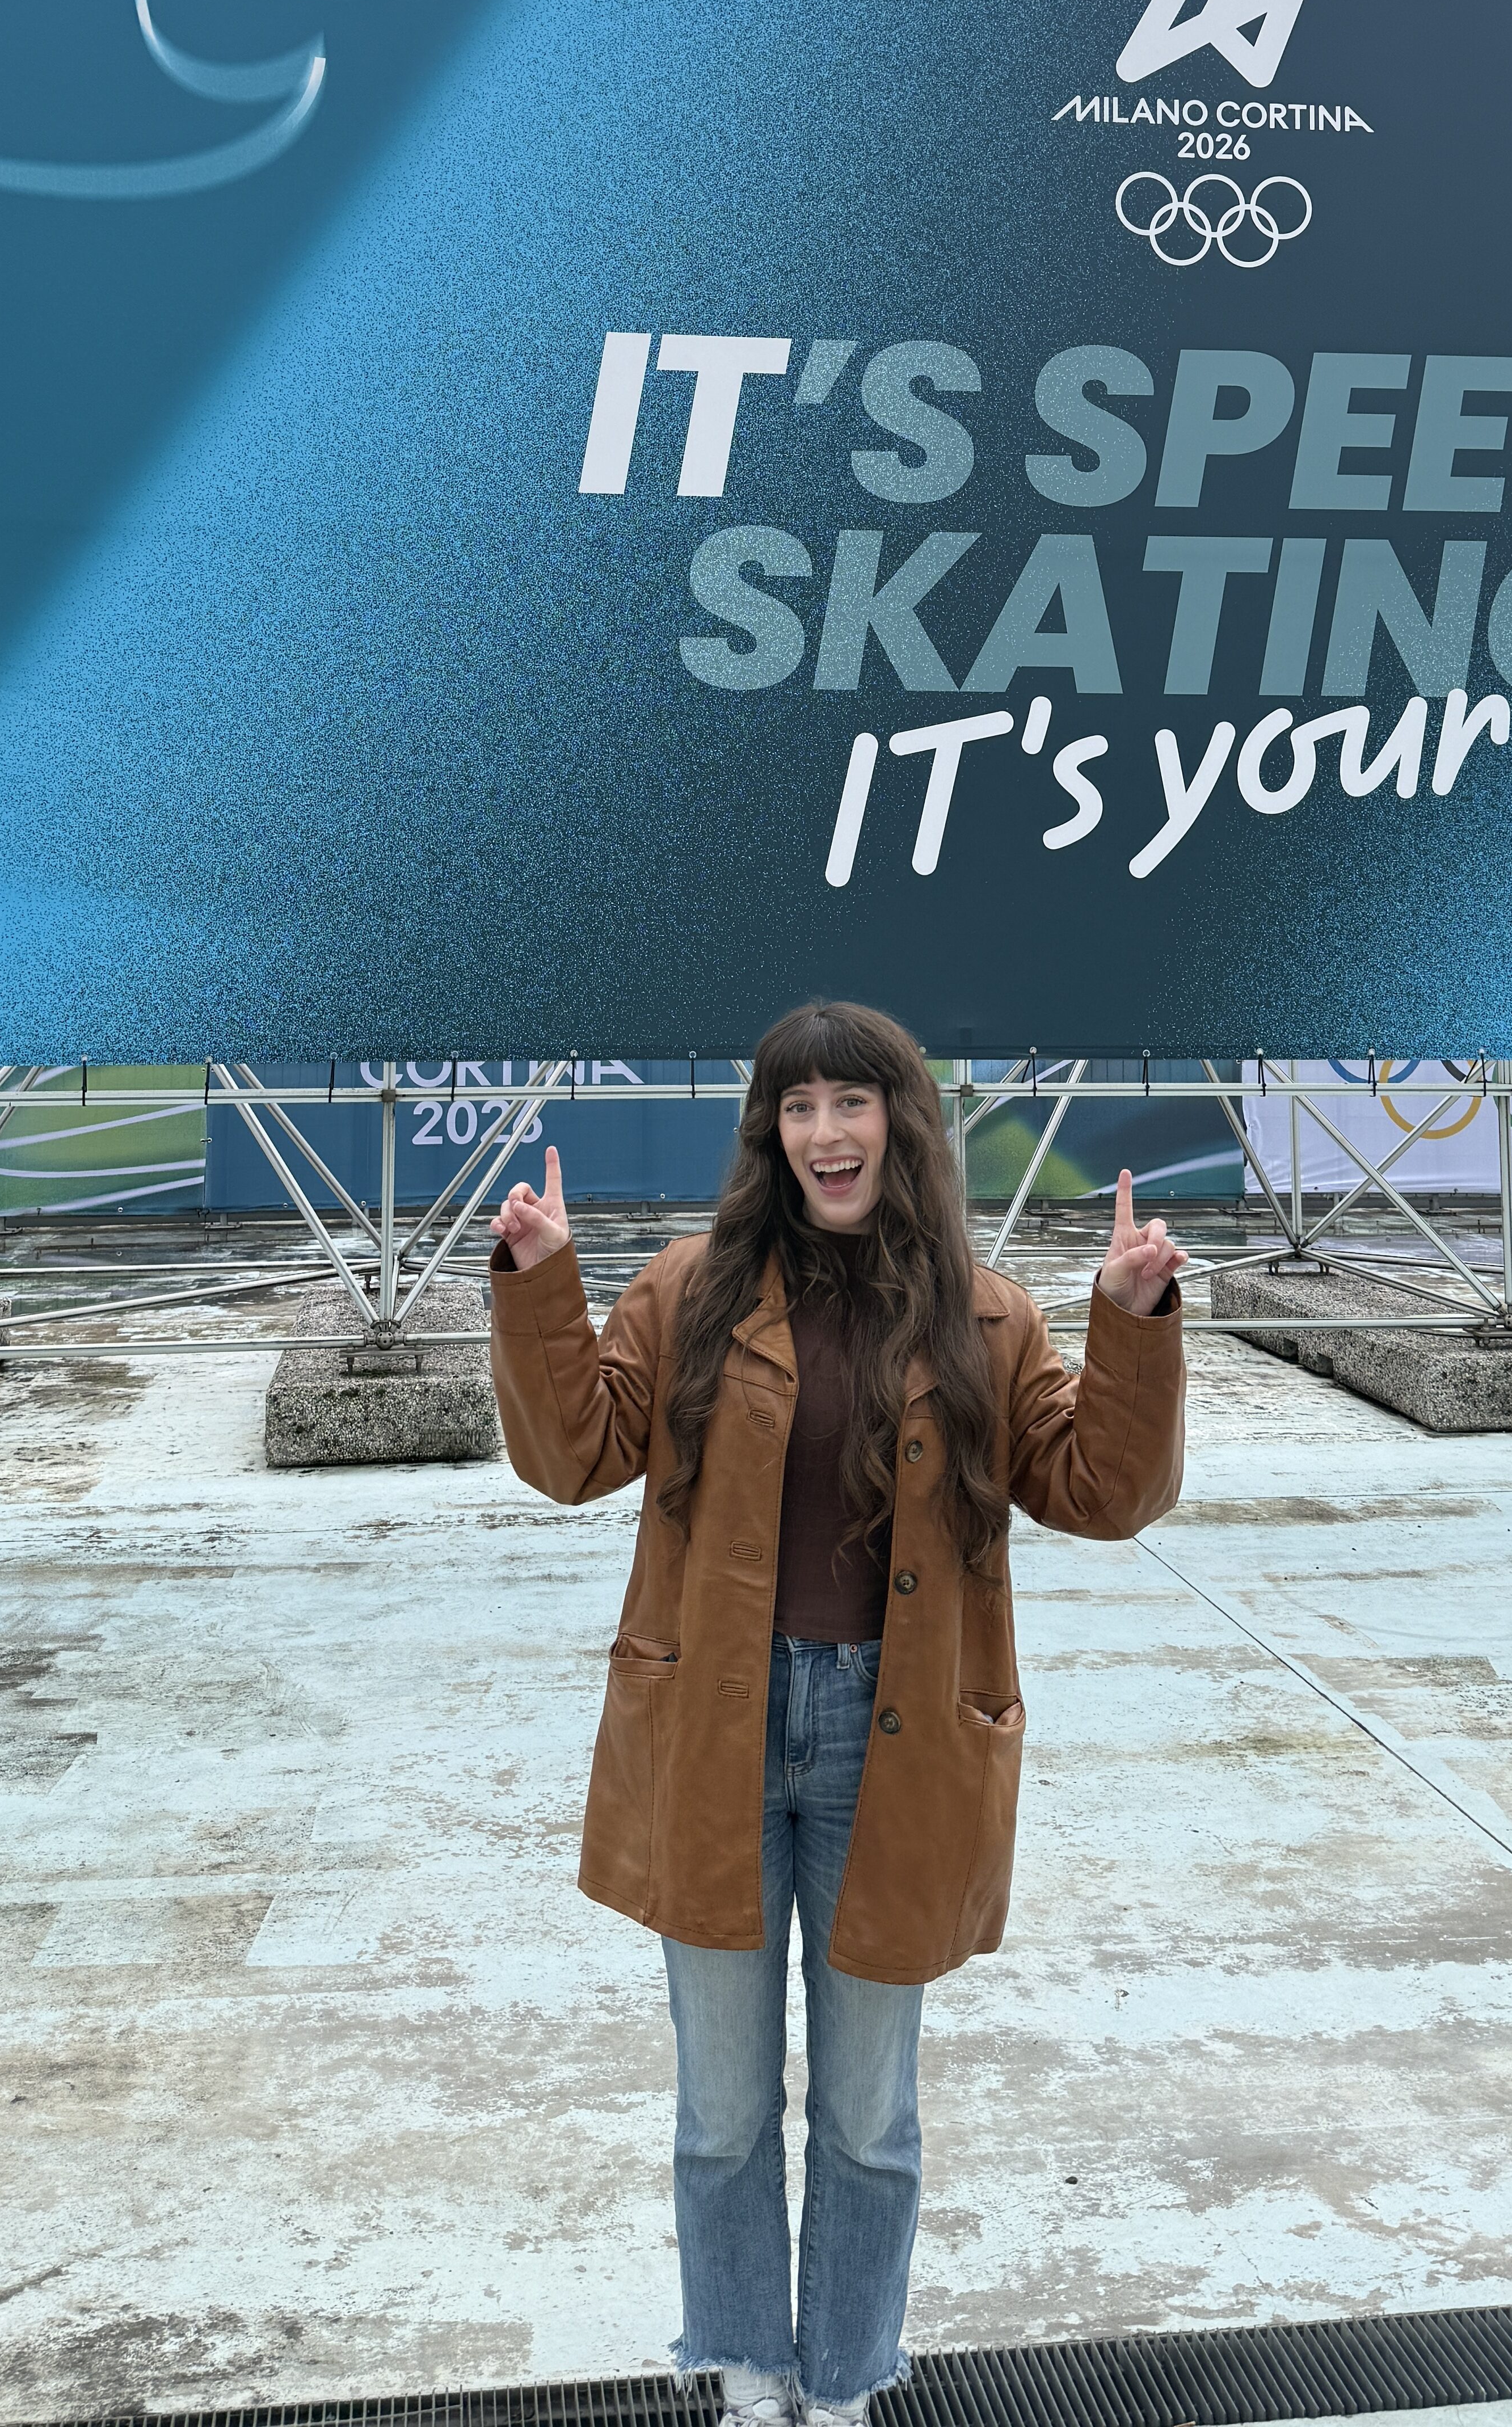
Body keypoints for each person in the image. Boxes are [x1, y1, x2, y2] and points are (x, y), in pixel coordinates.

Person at [488, 1000, 1187, 2427]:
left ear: (900, 1126)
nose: (826, 1133)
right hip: (717, 1737)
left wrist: (1131, 1328)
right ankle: (750, 2367)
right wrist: (545, 1289)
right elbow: (572, 1454)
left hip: (898, 1736)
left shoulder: (988, 1317)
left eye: (852, 1104)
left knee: (869, 2117)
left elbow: (1104, 1493)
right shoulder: (689, 1292)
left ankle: (850, 2376)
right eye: (798, 1107)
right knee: (723, 2109)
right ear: (771, 1135)